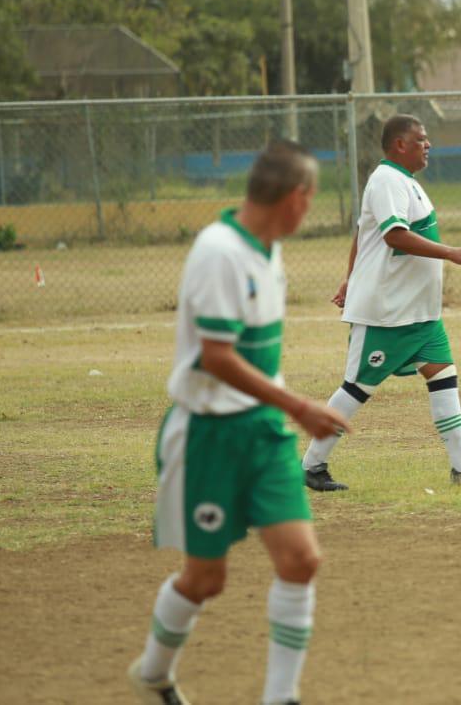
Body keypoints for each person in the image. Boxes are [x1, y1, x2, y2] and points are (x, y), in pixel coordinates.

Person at [128, 141, 349, 705]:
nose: (312, 208)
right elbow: (216, 358)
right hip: (209, 436)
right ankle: (154, 670)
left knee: (301, 559)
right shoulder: (219, 252)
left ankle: (281, 698)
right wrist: (299, 405)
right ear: (296, 198)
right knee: (206, 580)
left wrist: (282, 409)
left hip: (264, 432)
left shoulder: (267, 249)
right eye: (313, 197)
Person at [301, 115, 461, 491]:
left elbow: (362, 233)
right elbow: (394, 236)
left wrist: (350, 276)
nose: (428, 145)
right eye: (421, 139)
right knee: (356, 389)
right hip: (387, 313)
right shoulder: (386, 180)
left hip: (419, 315)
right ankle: (312, 465)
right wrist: (452, 253)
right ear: (400, 144)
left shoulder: (406, 182)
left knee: (444, 377)